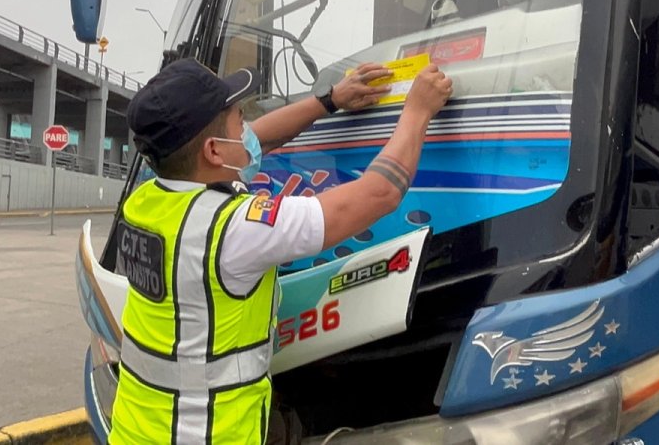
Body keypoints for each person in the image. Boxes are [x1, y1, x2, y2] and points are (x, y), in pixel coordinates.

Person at [110, 58, 452, 445]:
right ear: (214, 151)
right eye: (240, 119)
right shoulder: (233, 230)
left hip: (136, 428)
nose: (248, 130)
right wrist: (418, 110)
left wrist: (330, 100)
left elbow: (259, 139)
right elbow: (380, 192)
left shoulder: (148, 200)